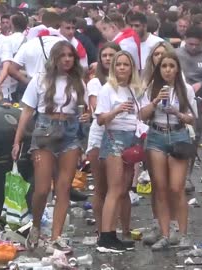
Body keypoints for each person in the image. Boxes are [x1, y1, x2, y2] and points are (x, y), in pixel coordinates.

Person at [11, 41, 90, 252]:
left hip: (71, 133)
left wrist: (86, 117)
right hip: (44, 132)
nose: (67, 59)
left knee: (64, 186)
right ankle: (36, 225)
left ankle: (57, 237)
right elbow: (27, 112)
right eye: (63, 55)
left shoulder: (79, 82)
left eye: (70, 55)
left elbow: (87, 110)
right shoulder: (39, 80)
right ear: (54, 58)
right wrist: (17, 141)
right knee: (42, 188)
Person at [140, 51, 196, 250]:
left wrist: (177, 113)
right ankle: (164, 234)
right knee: (160, 188)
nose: (167, 70)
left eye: (171, 66)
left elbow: (192, 117)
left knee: (176, 188)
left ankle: (182, 233)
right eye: (164, 66)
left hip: (178, 135)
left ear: (177, 69)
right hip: (156, 136)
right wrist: (155, 102)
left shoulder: (186, 89)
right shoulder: (150, 88)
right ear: (158, 69)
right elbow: (141, 114)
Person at [95, 51, 142, 253]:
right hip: (114, 138)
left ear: (132, 68)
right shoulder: (107, 89)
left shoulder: (136, 90)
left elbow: (143, 112)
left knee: (124, 189)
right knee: (114, 189)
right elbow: (100, 119)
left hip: (132, 140)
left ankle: (114, 233)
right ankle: (106, 236)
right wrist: (118, 110)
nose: (122, 68)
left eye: (126, 64)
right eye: (119, 64)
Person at [86, 42, 121, 236]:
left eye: (111, 55)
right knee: (101, 186)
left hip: (122, 134)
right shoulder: (95, 82)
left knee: (118, 187)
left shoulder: (127, 82)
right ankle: (101, 229)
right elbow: (95, 108)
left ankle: (116, 228)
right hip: (100, 134)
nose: (107, 58)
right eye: (104, 55)